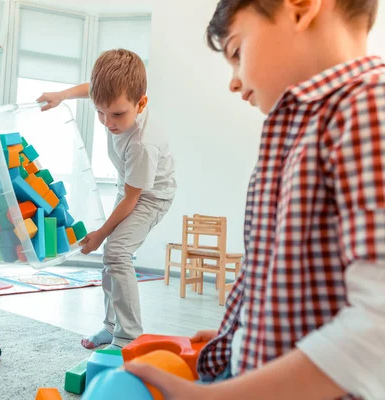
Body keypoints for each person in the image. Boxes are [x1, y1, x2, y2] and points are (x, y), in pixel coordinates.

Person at [125, 1, 385, 398]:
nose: (233, 80)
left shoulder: (367, 111)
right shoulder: (308, 126)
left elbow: (376, 330)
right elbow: (299, 285)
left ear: (300, 8)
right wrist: (247, 333)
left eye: (235, 52)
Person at [37, 49, 176, 350]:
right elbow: (91, 89)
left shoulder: (142, 143)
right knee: (110, 257)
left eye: (117, 114)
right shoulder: (113, 100)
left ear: (141, 104)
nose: (107, 122)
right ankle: (110, 326)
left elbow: (132, 199)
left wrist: (101, 234)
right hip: (129, 186)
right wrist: (61, 95)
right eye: (100, 111)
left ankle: (128, 337)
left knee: (115, 251)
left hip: (151, 196)